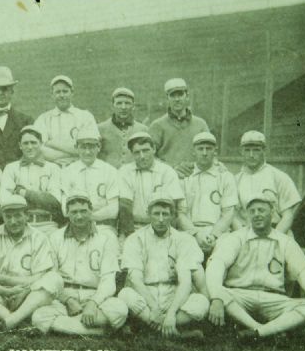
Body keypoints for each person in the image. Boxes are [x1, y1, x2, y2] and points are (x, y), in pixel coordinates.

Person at [206, 193, 305, 339]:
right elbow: (216, 265)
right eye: (252, 211)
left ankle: (257, 333)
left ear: (272, 213)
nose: (257, 215)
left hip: (273, 299)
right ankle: (265, 330)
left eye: (261, 210)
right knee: (215, 292)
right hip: (239, 296)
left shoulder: (285, 241)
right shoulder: (236, 238)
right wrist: (216, 298)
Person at [0, 195, 63, 330]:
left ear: (27, 215)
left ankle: (8, 323)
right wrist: (5, 291)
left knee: (54, 279)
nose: (13, 221)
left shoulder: (39, 238)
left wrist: (23, 291)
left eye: (18, 215)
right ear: (2, 216)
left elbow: (40, 277)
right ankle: (14, 320)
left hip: (28, 297)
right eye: (8, 216)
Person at [31, 192, 128, 336]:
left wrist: (93, 303)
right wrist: (68, 300)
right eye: (74, 212)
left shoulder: (106, 238)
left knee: (119, 309)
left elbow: (108, 281)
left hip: (95, 296)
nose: (79, 216)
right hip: (64, 297)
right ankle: (99, 331)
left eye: (84, 211)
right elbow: (51, 276)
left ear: (91, 212)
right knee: (39, 316)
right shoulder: (55, 237)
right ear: (67, 214)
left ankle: (68, 326)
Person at [118, 192, 209, 337]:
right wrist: (154, 308)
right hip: (146, 295)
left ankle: (154, 328)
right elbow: (136, 279)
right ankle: (174, 333)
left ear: (172, 216)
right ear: (148, 214)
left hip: (174, 294)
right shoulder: (135, 238)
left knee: (201, 302)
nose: (161, 219)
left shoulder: (184, 239)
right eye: (156, 213)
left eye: (165, 214)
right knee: (125, 294)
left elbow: (185, 282)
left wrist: (172, 314)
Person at [118, 131, 187, 238]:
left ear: (154, 149)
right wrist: (131, 236)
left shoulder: (167, 171)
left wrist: (164, 234)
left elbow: (172, 207)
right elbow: (125, 206)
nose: (142, 156)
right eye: (137, 152)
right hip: (134, 227)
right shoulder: (125, 171)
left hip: (162, 227)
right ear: (132, 154)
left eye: (146, 151)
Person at [232, 130, 301, 234]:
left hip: (276, 230)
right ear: (241, 151)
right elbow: (232, 216)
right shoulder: (235, 180)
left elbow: (288, 214)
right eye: (247, 150)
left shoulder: (278, 176)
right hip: (244, 232)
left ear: (264, 151)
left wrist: (275, 237)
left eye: (256, 150)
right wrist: (244, 237)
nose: (251, 155)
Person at [181, 132, 237, 255]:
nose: (205, 153)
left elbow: (228, 213)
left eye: (209, 149)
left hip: (219, 234)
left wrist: (214, 235)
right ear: (193, 151)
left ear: (215, 152)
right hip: (190, 232)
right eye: (200, 149)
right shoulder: (184, 177)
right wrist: (196, 234)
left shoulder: (225, 177)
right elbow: (180, 213)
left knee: (219, 261)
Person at [1, 125, 63, 234]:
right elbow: (6, 202)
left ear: (41, 144)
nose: (30, 147)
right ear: (20, 145)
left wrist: (22, 192)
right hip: (20, 226)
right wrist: (41, 197)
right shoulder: (11, 168)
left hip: (48, 225)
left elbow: (54, 202)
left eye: (33, 142)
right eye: (25, 143)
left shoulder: (53, 168)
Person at [61, 128, 119, 240]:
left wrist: (88, 217)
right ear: (76, 148)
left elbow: (113, 210)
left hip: (103, 226)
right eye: (83, 147)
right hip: (74, 226)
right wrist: (82, 218)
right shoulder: (67, 172)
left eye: (91, 147)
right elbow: (65, 210)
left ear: (99, 147)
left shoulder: (110, 171)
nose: (87, 152)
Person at [148, 78, 210, 178]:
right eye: (173, 95)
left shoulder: (200, 124)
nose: (177, 99)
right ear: (167, 98)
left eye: (180, 95)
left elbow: (209, 152)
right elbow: (149, 156)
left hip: (196, 177)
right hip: (166, 179)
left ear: (187, 96)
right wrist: (171, 168)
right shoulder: (157, 125)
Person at [34, 75, 99, 167]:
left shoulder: (85, 116)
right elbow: (38, 149)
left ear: (72, 93)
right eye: (57, 92)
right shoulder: (43, 119)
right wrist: (73, 153)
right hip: (52, 168)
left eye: (65, 91)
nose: (62, 95)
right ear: (52, 95)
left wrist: (50, 143)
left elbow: (89, 147)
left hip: (80, 167)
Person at [98, 87, 148, 168]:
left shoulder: (143, 130)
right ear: (112, 106)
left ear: (133, 106)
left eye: (127, 103)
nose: (123, 107)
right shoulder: (100, 129)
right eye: (119, 103)